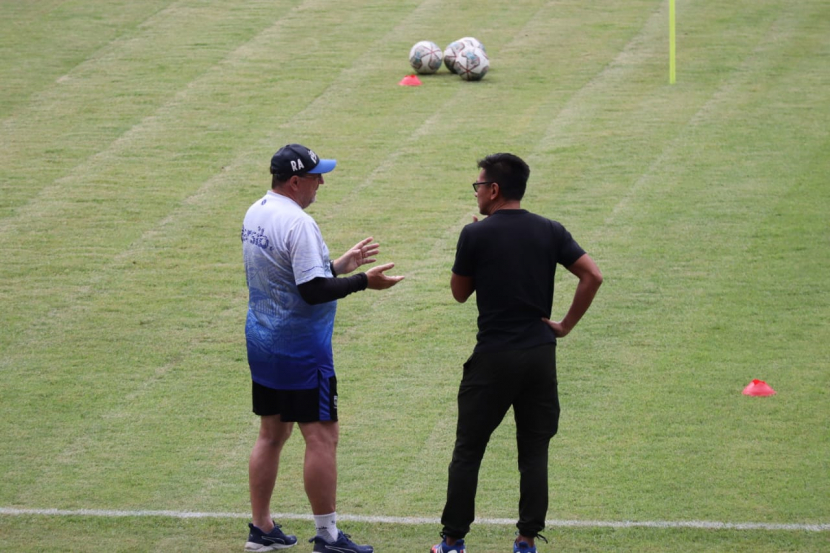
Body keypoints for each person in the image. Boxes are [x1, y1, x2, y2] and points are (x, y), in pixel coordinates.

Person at [431, 153, 603, 553]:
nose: (476, 193)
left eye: (478, 186)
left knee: (468, 450)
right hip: (540, 355)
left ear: (494, 190)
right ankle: (526, 540)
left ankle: (453, 541)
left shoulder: (475, 234)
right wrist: (565, 325)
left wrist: (474, 245)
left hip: (494, 357)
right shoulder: (550, 230)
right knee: (534, 451)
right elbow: (592, 275)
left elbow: (459, 293)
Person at [241, 143, 404, 553]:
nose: (322, 184)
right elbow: (312, 292)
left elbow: (291, 278)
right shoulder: (299, 224)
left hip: (263, 342)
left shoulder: (256, 211)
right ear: (296, 181)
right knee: (322, 437)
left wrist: (339, 266)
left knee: (271, 434)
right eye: (316, 177)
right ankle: (328, 536)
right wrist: (364, 281)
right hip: (301, 351)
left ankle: (261, 528)